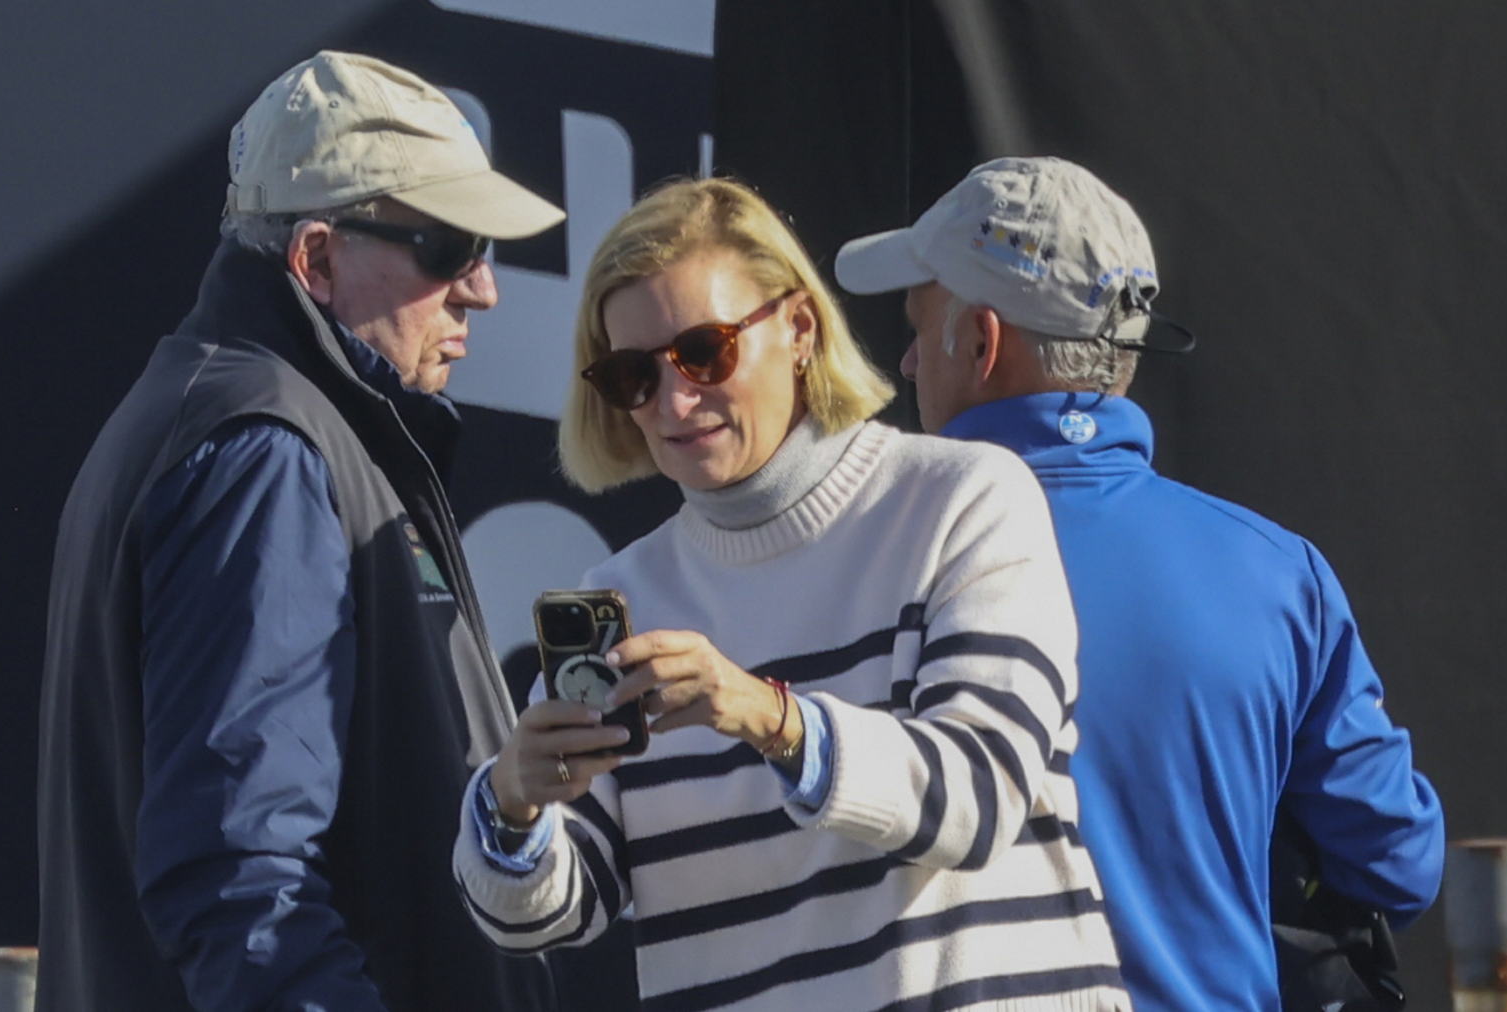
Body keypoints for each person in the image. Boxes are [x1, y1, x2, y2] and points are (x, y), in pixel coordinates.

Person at [452, 177, 1130, 1011]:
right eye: (633, 375)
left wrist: (769, 717)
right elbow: (551, 917)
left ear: (800, 328)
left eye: (705, 351)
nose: (673, 401)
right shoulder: (623, 595)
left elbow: (979, 796)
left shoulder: (965, 498)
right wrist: (513, 803)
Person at [833, 156, 1445, 1010]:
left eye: (916, 322)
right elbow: (1399, 862)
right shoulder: (1278, 574)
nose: (902, 360)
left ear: (980, 341)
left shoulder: (861, 562)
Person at [36, 51, 564, 1011]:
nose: (481, 290)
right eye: (448, 247)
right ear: (316, 258)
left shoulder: (232, 416)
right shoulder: (263, 448)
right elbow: (241, 878)